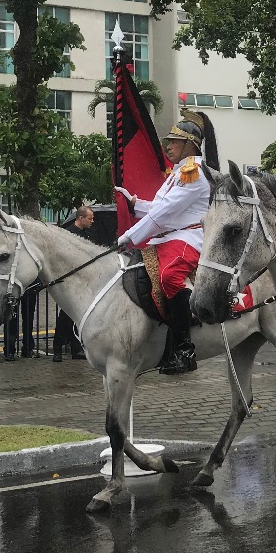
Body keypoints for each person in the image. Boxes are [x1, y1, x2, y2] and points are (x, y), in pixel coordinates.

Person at [116, 108, 218, 375]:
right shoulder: (178, 171)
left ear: (189, 145)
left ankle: (185, 349)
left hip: (188, 236)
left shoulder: (193, 173)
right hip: (171, 235)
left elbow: (165, 213)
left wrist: (130, 236)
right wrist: (135, 203)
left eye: (174, 141)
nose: (168, 146)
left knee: (169, 276)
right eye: (169, 140)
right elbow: (159, 207)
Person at [52, 205, 96, 362]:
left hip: (83, 278)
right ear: (80, 218)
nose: (92, 221)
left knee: (79, 313)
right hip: (70, 279)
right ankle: (57, 347)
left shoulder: (88, 234)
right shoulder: (68, 234)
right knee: (65, 314)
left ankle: (76, 348)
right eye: (90, 218)